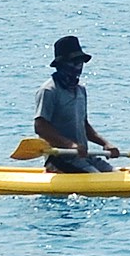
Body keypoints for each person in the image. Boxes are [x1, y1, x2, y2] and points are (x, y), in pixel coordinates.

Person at [35, 35, 124, 172]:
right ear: (61, 64)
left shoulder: (81, 90)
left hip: (84, 156)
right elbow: (40, 127)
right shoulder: (48, 90)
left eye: (80, 62)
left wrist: (105, 144)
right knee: (98, 179)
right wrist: (70, 145)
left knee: (116, 174)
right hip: (60, 159)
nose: (78, 67)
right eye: (73, 62)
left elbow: (84, 125)